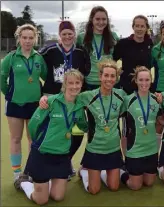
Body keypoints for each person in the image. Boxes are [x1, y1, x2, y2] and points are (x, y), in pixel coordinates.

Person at [39, 59, 126, 195]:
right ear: (100, 76)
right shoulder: (87, 96)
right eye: (106, 75)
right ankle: (85, 172)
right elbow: (68, 96)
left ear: (116, 78)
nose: (109, 79)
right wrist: (46, 99)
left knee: (114, 187)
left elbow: (135, 102)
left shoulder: (121, 96)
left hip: (114, 148)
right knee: (94, 190)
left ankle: (101, 173)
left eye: (112, 76)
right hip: (95, 148)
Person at [15, 69, 87, 205]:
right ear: (64, 84)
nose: (74, 86)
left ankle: (43, 183)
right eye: (70, 83)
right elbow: (33, 126)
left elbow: (83, 126)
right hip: (43, 153)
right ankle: (24, 182)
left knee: (58, 196)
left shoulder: (79, 106)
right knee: (41, 200)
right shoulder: (51, 102)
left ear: (81, 84)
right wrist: (41, 142)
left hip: (62, 155)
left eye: (77, 83)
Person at [39, 20, 91, 177]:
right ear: (59, 35)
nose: (67, 36)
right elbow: (40, 68)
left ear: (74, 34)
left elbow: (86, 73)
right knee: (55, 131)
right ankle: (52, 164)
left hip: (74, 99)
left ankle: (67, 160)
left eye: (70, 33)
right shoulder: (49, 50)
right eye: (64, 34)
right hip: (54, 98)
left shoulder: (81, 52)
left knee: (77, 132)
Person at [0, 24, 47, 186]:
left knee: (32, 139)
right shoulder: (11, 57)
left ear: (35, 39)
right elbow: (2, 78)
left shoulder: (39, 58)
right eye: (24, 37)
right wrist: (10, 93)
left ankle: (30, 170)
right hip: (15, 104)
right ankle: (17, 173)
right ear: (19, 38)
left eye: (30, 37)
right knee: (15, 138)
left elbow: (46, 76)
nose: (27, 41)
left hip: (34, 105)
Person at [119, 66, 161, 191]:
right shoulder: (128, 100)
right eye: (141, 80)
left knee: (149, 183)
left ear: (151, 80)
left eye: (147, 80)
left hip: (151, 150)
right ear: (136, 81)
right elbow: (124, 132)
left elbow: (160, 123)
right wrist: (126, 156)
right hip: (135, 151)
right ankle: (122, 172)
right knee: (135, 186)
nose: (144, 83)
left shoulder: (156, 99)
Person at [77, 6, 119, 90]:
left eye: (104, 19)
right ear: (91, 20)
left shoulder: (113, 36)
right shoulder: (82, 37)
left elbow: (122, 54)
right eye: (97, 19)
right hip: (90, 82)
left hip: (110, 81)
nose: (101, 22)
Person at [113, 15, 154, 94]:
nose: (139, 29)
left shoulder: (149, 44)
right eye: (137, 26)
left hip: (144, 86)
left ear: (146, 28)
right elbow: (112, 60)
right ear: (133, 27)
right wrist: (117, 71)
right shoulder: (123, 43)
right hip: (127, 87)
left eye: (142, 26)